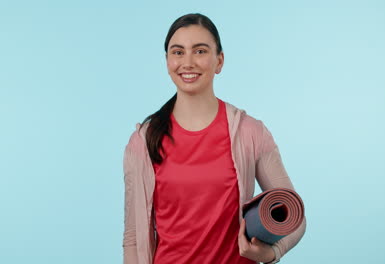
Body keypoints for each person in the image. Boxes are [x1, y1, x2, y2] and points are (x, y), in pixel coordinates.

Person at [122, 13, 306, 264]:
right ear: (167, 62)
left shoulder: (250, 132)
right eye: (178, 52)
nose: (187, 62)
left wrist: (272, 253)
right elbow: (133, 237)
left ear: (219, 61)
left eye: (200, 51)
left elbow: (295, 217)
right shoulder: (143, 141)